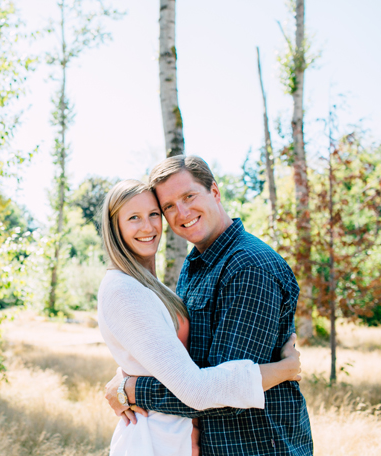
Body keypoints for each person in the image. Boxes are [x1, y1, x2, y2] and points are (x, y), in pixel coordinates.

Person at [104, 157, 313, 455]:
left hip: (258, 446)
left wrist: (132, 390)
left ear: (214, 191)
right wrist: (125, 375)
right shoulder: (196, 264)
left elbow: (224, 396)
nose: (182, 212)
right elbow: (177, 360)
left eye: (189, 196)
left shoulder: (248, 267)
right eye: (168, 207)